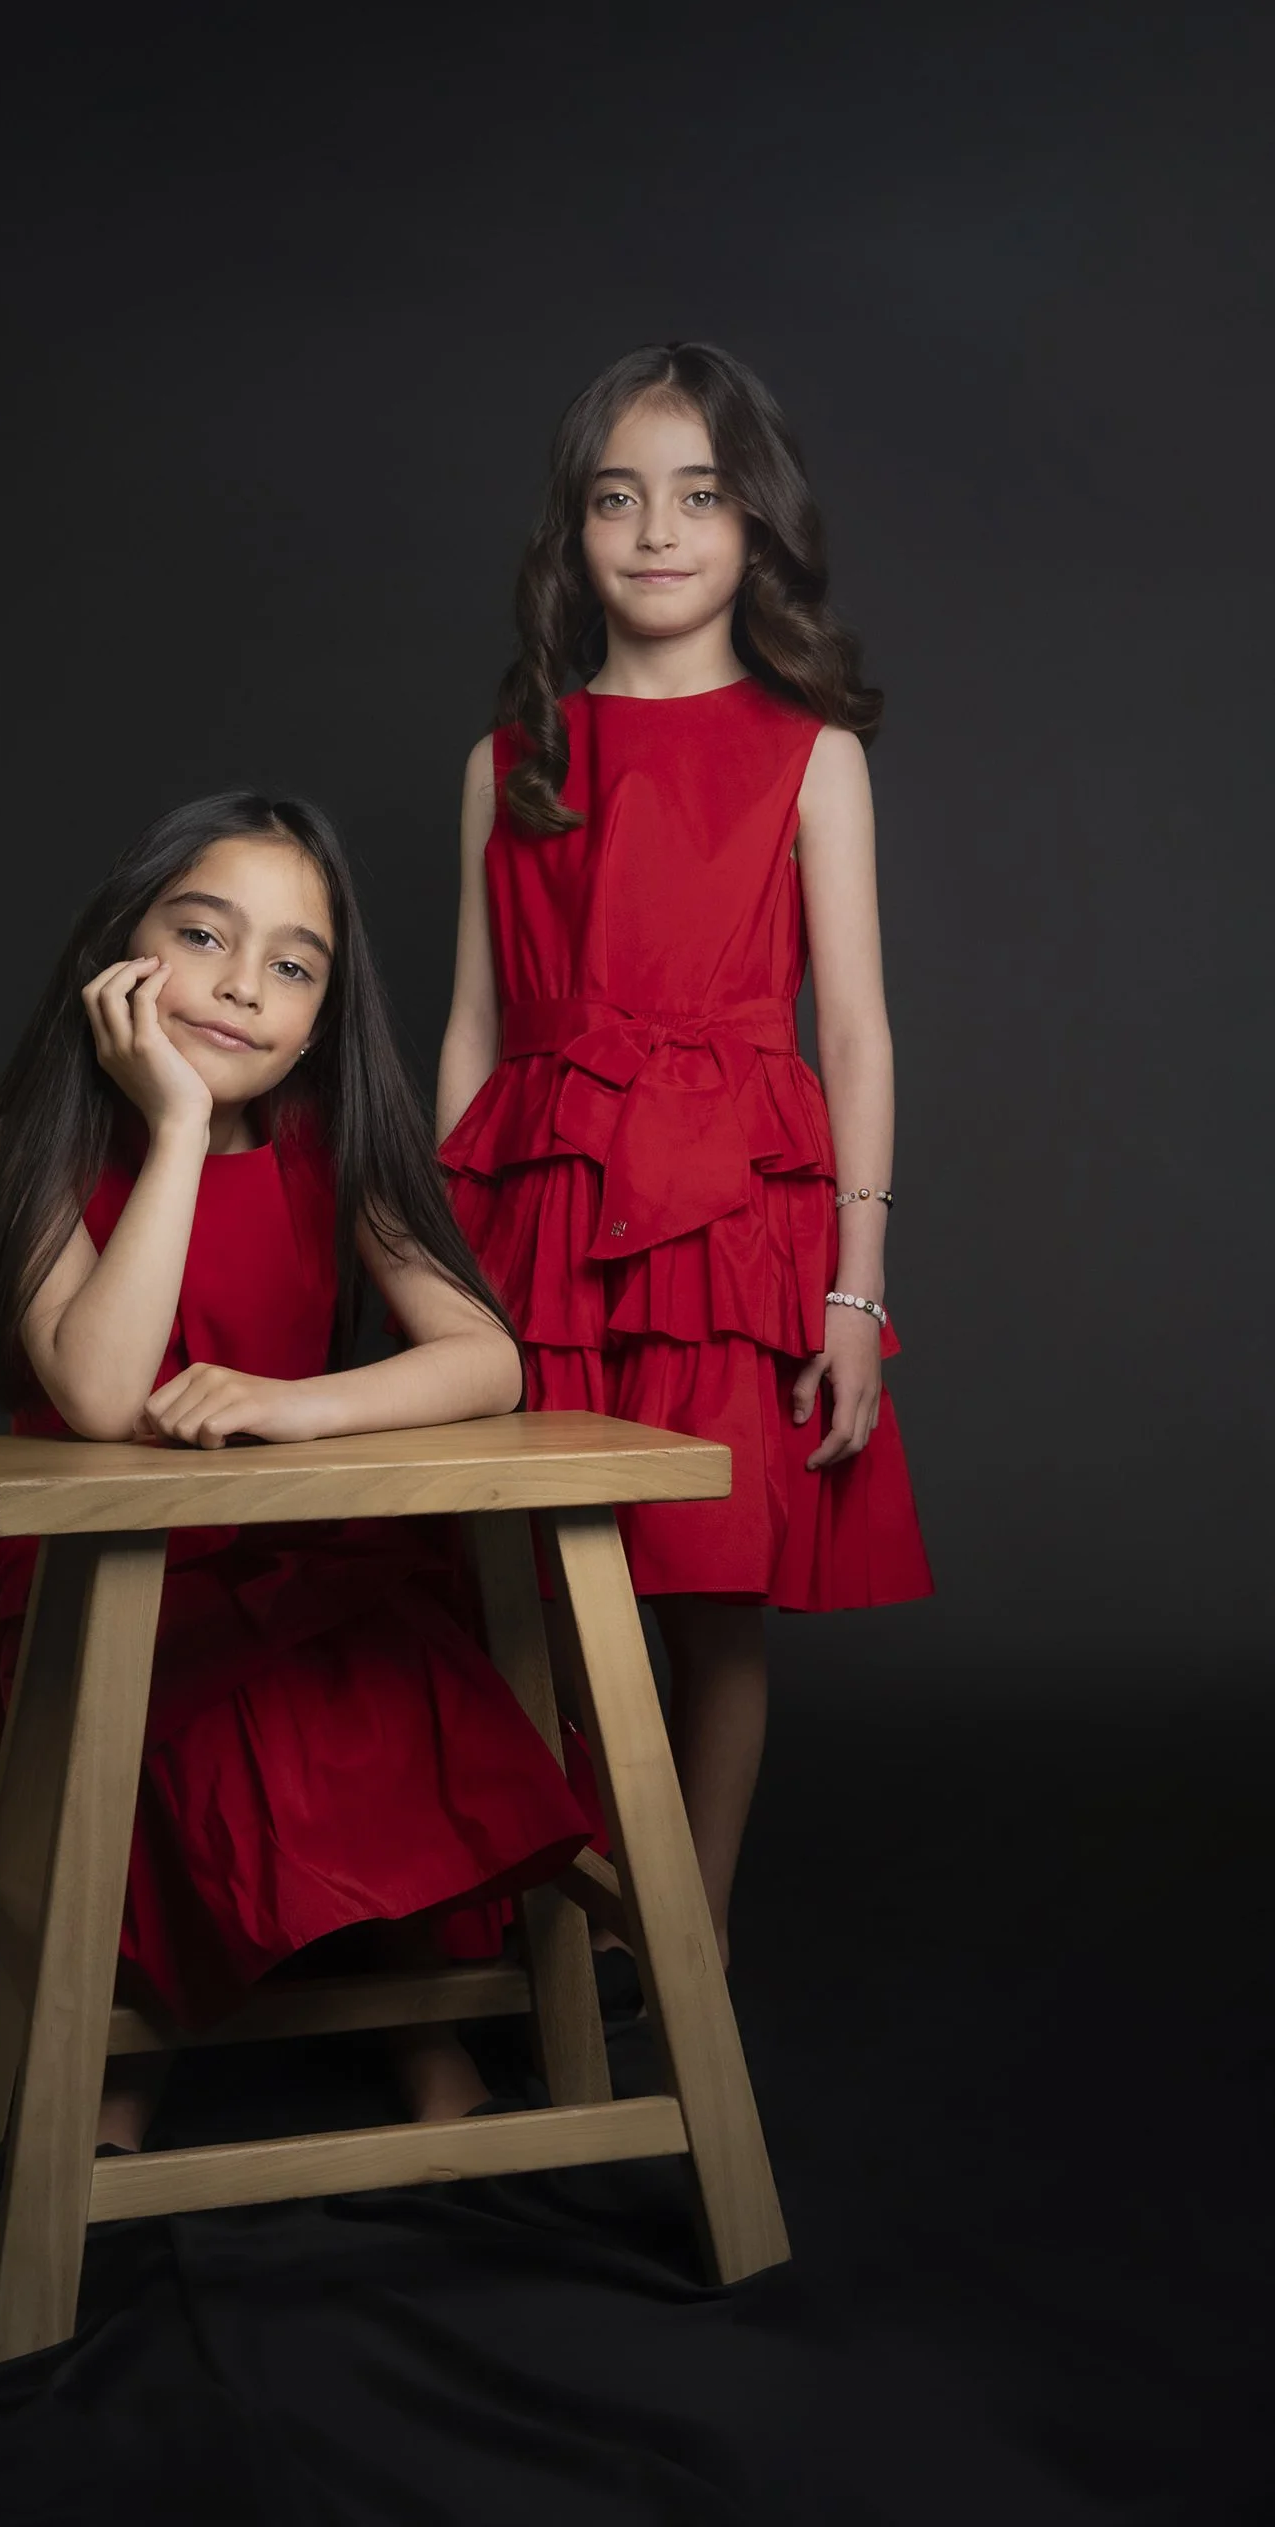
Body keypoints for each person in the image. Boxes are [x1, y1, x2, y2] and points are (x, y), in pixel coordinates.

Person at [0, 791, 589, 2147]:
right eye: (204, 933)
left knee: (377, 1680)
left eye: (293, 965)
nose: (243, 988)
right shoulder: (42, 1153)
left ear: (320, 1017)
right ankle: (125, 2063)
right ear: (123, 948)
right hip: (98, 1580)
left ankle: (420, 2026)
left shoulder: (334, 1150)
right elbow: (105, 1392)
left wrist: (298, 1408)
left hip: (299, 1562)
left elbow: (488, 1362)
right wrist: (174, 1125)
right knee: (168, 1716)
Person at [438, 342, 932, 1974]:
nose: (656, 531)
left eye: (698, 496)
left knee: (713, 1587)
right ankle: (555, 1946)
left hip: (734, 1220)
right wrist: (439, 1276)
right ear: (571, 535)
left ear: (753, 525)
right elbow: (471, 1027)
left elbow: (852, 1030)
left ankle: (686, 1948)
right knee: (539, 1599)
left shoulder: (812, 753)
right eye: (616, 497)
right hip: (546, 1210)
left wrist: (857, 1290)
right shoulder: (509, 759)